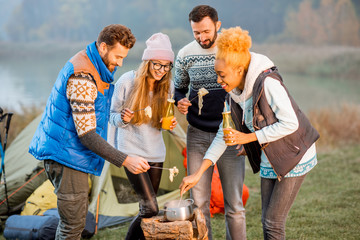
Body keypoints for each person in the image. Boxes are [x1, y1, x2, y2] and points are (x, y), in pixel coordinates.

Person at [180, 27, 320, 240]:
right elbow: (223, 134)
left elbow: (290, 123)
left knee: (274, 223)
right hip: (270, 155)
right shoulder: (233, 92)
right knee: (266, 220)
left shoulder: (268, 83)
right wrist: (198, 174)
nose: (219, 81)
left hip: (295, 153)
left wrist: (249, 138)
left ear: (238, 69)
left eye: (221, 75)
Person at [29, 24, 151, 239]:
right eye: (118, 56)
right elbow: (86, 134)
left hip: (71, 154)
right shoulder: (83, 75)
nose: (120, 63)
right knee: (72, 226)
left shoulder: (94, 65)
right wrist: (125, 160)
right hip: (66, 155)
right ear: (103, 47)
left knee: (75, 223)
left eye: (124, 57)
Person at [174, 5, 246, 240]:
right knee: (200, 203)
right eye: (196, 32)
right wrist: (180, 101)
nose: (201, 37)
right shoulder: (185, 54)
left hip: (230, 133)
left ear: (217, 25)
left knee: (234, 205)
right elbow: (179, 89)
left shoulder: (232, 50)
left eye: (205, 31)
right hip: (197, 134)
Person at [108, 32, 177, 240]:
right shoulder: (126, 82)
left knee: (147, 208)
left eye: (166, 66)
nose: (161, 71)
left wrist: (169, 125)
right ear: (147, 61)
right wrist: (123, 118)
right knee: (150, 208)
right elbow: (111, 117)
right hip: (132, 153)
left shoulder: (168, 86)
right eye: (157, 64)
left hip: (156, 153)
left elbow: (160, 126)